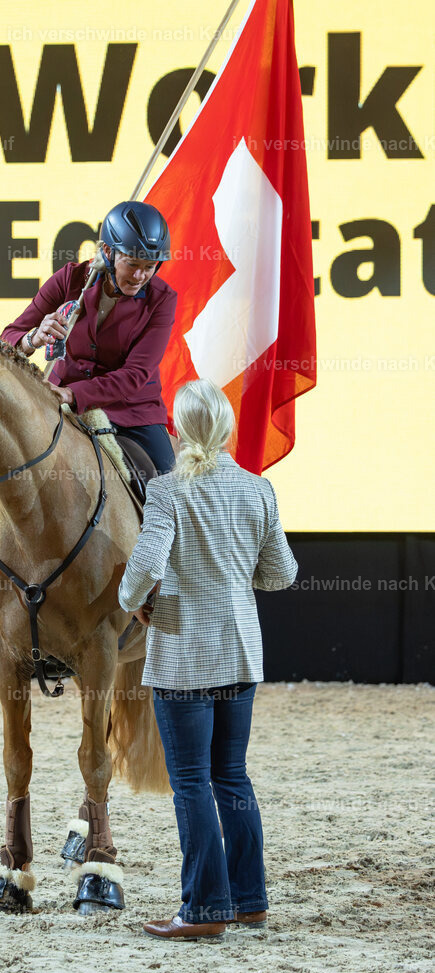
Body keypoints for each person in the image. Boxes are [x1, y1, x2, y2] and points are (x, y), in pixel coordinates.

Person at [0, 200, 178, 651]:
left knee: (165, 486)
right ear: (107, 250)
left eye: (150, 266)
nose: (143, 275)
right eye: (134, 264)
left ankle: (164, 594)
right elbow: (5, 340)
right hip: (53, 406)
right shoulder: (69, 281)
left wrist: (74, 394)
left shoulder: (162, 300)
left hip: (130, 411)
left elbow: (137, 374)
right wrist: (32, 337)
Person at [117, 378, 298, 942]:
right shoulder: (258, 489)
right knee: (232, 777)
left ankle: (203, 910)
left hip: (183, 655)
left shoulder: (168, 490)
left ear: (177, 429)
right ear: (227, 429)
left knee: (191, 781)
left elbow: (146, 563)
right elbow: (282, 573)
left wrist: (133, 602)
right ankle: (248, 901)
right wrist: (235, 577)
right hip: (241, 653)